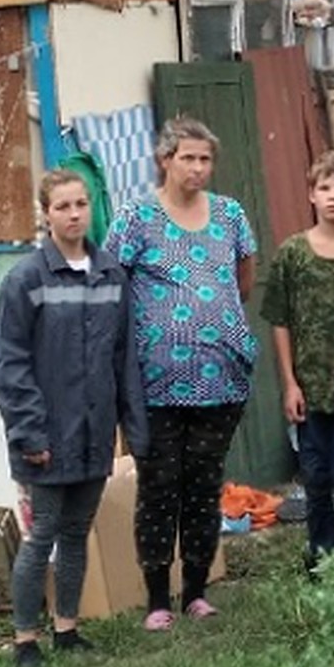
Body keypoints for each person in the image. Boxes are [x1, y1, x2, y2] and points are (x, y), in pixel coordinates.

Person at [0, 169, 149, 667]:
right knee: (43, 537)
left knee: (78, 532)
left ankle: (68, 629)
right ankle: (24, 640)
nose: (75, 214)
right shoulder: (26, 280)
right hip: (47, 435)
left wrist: (134, 430)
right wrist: (29, 432)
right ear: (46, 213)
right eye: (63, 206)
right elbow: (8, 364)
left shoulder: (110, 275)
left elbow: (124, 360)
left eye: (81, 204)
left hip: (95, 433)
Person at [105, 117, 258, 631]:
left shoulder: (230, 214)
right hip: (156, 385)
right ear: (165, 160)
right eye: (188, 157)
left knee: (203, 483)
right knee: (159, 487)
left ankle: (195, 591)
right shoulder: (136, 218)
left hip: (222, 381)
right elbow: (112, 284)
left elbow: (243, 280)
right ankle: (156, 599)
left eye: (205, 159)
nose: (197, 168)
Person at [262, 150, 334, 571]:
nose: (332, 196)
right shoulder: (292, 253)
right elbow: (280, 320)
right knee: (316, 474)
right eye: (324, 187)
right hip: (309, 389)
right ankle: (320, 554)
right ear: (311, 194)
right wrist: (289, 383)